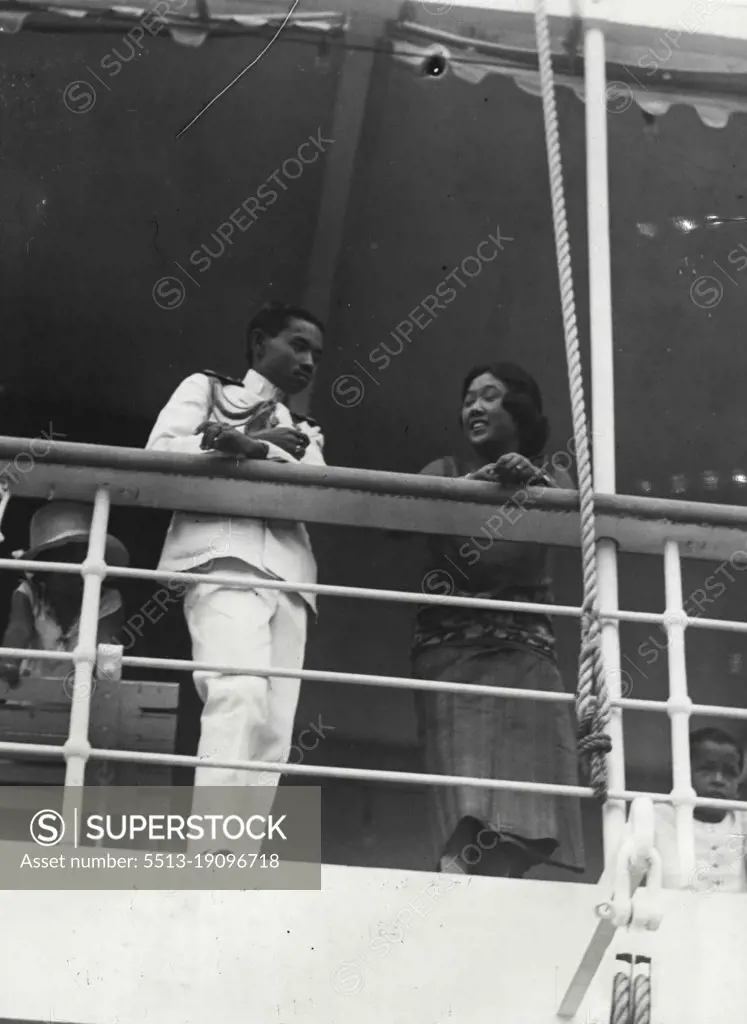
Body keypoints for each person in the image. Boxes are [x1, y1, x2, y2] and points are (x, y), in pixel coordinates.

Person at [145, 301, 325, 800]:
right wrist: (251, 441)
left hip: (290, 575)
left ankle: (238, 860)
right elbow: (158, 455)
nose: (309, 361)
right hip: (223, 557)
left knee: (272, 730)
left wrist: (260, 447)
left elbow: (319, 491)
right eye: (299, 344)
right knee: (236, 691)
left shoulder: (305, 427)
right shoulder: (206, 388)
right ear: (260, 343)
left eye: (317, 353)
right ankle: (214, 849)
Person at [411, 361, 585, 878]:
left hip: (526, 657)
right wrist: (473, 485)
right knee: (463, 803)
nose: (474, 408)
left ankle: (499, 891)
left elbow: (580, 531)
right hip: (453, 652)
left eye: (490, 396)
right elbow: (393, 519)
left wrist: (532, 486)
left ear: (520, 411)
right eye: (468, 399)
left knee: (522, 812)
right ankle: (455, 893)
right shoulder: (442, 471)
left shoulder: (554, 477)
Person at [0, 501, 128, 689]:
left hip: (84, 698)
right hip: (29, 699)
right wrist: (8, 663)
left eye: (82, 560)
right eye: (67, 560)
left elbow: (105, 645)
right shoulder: (28, 593)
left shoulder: (109, 601)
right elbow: (19, 630)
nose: (76, 571)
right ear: (47, 564)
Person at [654, 727, 746, 892]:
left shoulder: (743, 820)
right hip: (675, 914)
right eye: (706, 769)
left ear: (739, 786)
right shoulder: (659, 816)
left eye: (730, 773)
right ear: (681, 774)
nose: (719, 780)